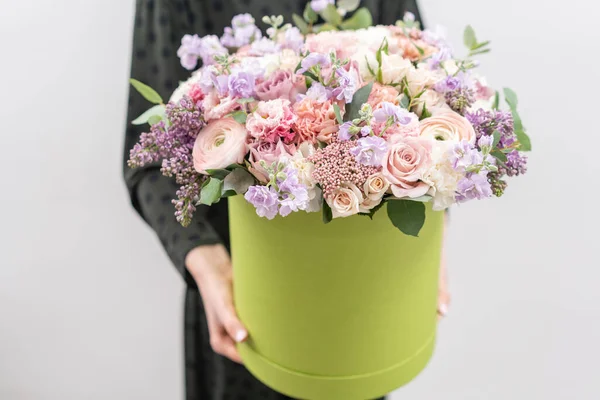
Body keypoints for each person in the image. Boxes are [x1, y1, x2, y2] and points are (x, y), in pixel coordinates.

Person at [123, 1, 449, 399]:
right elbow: (148, 161)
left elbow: (436, 101)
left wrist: (431, 244)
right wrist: (206, 264)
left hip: (363, 311)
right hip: (246, 304)